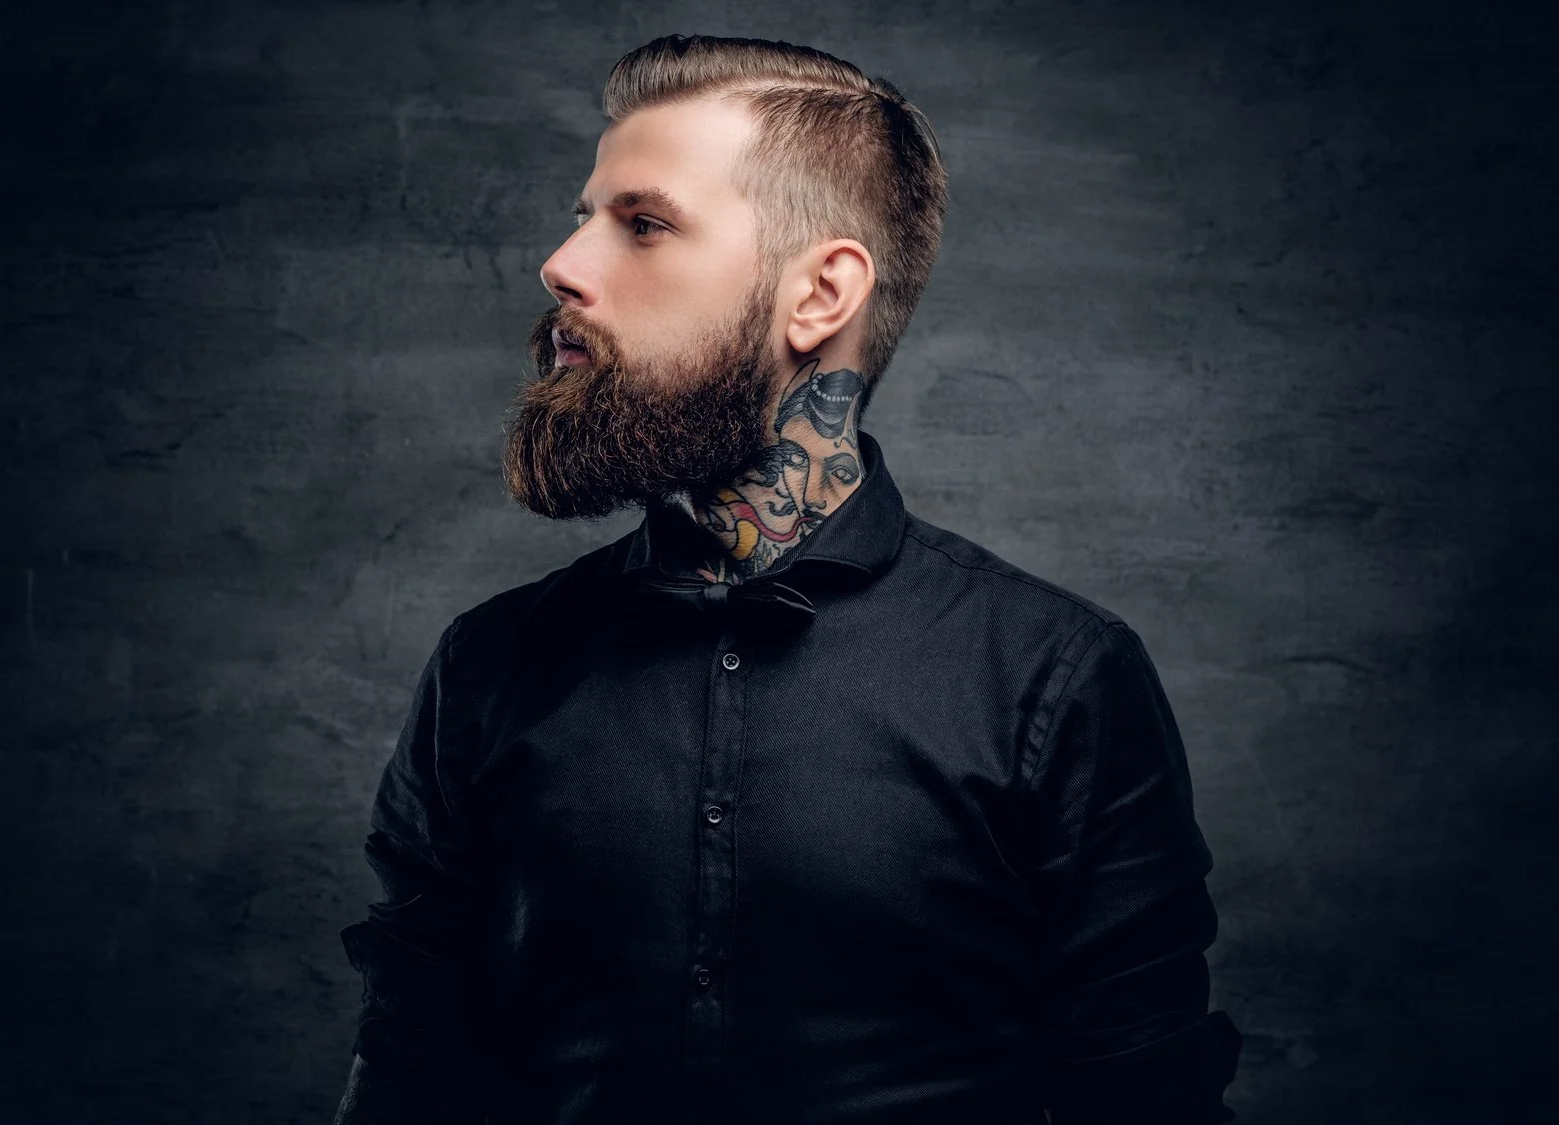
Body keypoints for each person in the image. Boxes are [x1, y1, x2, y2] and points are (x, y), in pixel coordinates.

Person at [333, 33, 1241, 1125]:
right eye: (583, 216)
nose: (563, 265)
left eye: (642, 223)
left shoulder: (1053, 679)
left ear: (819, 294)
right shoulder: (487, 668)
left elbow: (1142, 1098)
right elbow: (409, 1078)